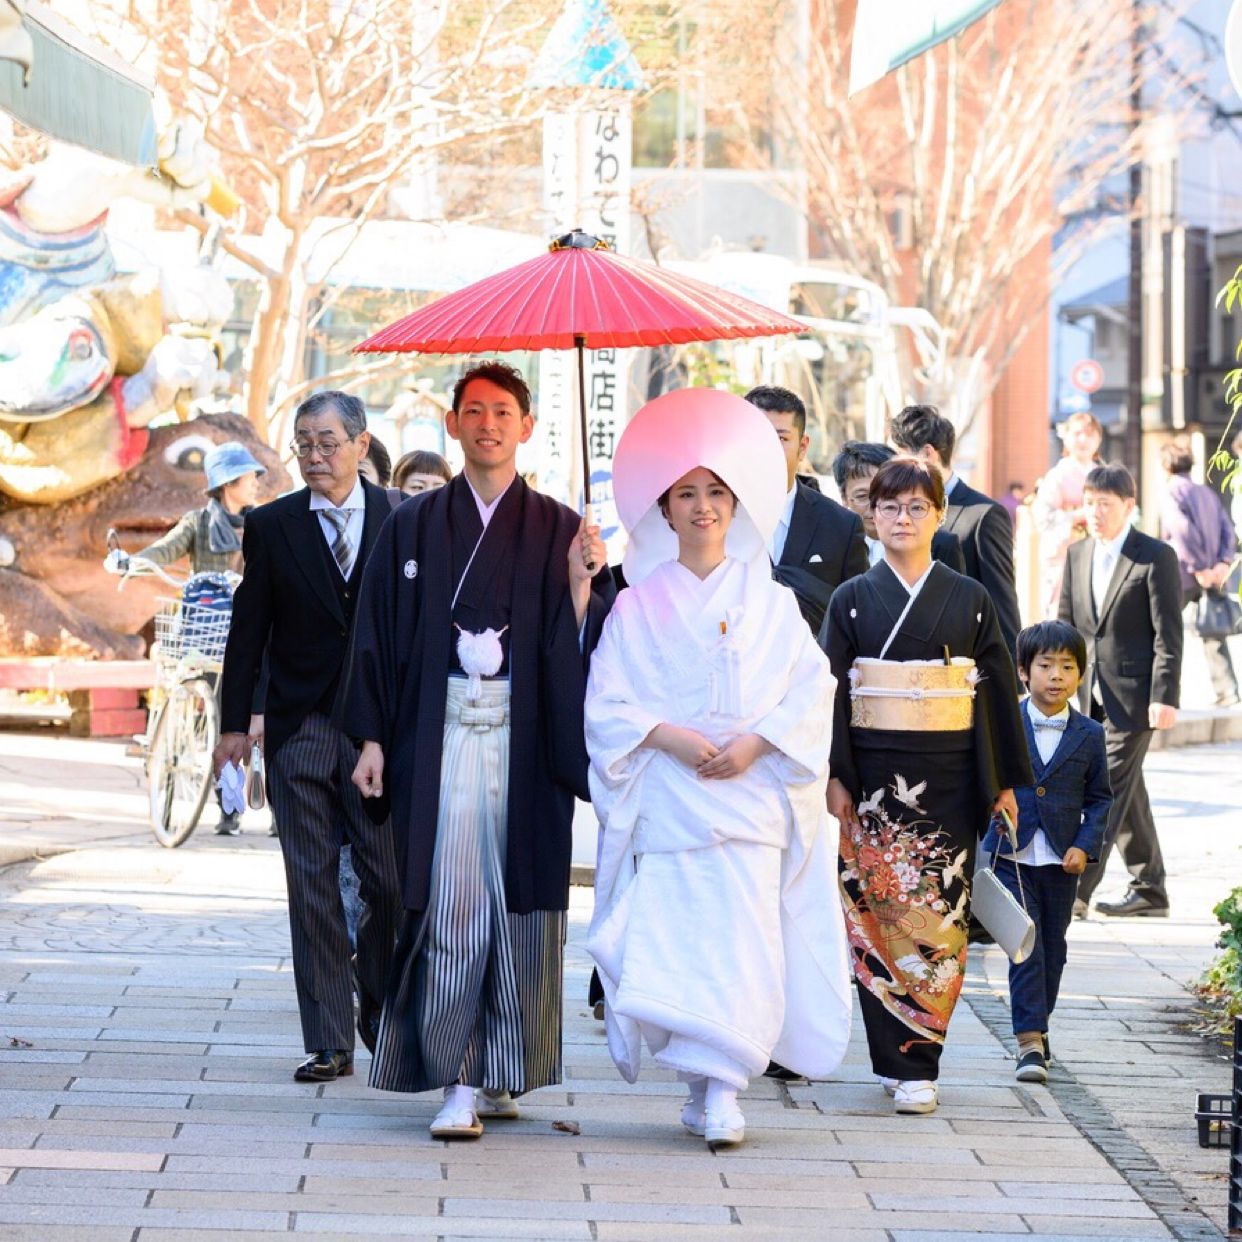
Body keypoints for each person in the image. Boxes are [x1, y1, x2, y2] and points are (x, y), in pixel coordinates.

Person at [343, 361, 612, 1141]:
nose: (487, 424)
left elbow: (582, 645)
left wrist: (581, 588)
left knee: (521, 902)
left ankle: (504, 1065)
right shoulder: (415, 526)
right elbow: (379, 635)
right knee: (456, 896)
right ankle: (458, 1075)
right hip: (441, 735)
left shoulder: (563, 527)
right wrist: (370, 736)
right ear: (453, 424)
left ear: (527, 427)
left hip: (525, 744)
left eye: (502, 412)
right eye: (473, 411)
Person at [585, 388, 851, 1150]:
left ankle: (727, 1086)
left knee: (744, 941)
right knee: (681, 942)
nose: (702, 507)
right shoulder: (636, 604)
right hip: (672, 795)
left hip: (749, 796)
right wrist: (665, 736)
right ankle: (703, 1083)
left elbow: (812, 688)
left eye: (715, 493)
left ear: (735, 506)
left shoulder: (771, 603)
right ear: (663, 510)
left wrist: (758, 743)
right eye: (686, 495)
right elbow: (608, 703)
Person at [823, 456, 1030, 1115]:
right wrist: (833, 774)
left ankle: (922, 1062)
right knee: (877, 917)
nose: (902, 518)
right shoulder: (851, 599)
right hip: (874, 781)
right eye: (889, 506)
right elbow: (825, 693)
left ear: (939, 515)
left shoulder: (968, 600)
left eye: (916, 507)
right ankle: (892, 1058)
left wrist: (1001, 784)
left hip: (948, 781)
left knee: (939, 922)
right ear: (871, 515)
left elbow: (996, 689)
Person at [213, 391, 402, 1084]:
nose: (315, 456)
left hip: (380, 731)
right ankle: (328, 1037)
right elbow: (248, 629)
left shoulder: (402, 519)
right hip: (300, 728)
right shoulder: (271, 524)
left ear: (360, 443)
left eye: (327, 442)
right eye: (304, 444)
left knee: (388, 881)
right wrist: (236, 723)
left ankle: (379, 999)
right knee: (312, 880)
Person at [109, 440, 266, 835]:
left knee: (259, 719)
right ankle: (226, 807)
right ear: (228, 482)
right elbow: (165, 550)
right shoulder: (198, 523)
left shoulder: (262, 524)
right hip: (207, 633)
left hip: (248, 635)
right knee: (216, 719)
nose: (255, 483)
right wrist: (131, 561)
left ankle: (271, 804)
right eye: (249, 476)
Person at [979, 620, 1111, 1084]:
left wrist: (1083, 845)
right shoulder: (1002, 722)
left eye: (1067, 666)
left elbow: (1100, 799)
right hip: (1011, 856)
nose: (1056, 675)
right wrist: (994, 802)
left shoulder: (1090, 734)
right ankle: (1029, 1042)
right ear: (1023, 671)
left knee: (1053, 950)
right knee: (1026, 949)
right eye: (1046, 665)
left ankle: (1039, 1027)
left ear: (1080, 673)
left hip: (1061, 859)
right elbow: (984, 778)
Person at [1058, 463, 1183, 918]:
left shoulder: (1154, 556)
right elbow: (1067, 628)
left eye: (1104, 504)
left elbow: (1168, 632)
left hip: (1136, 697)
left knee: (1105, 788)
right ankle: (1150, 888)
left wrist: (1165, 695)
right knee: (1129, 790)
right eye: (1089, 503)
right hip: (1088, 696)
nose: (1094, 512)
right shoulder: (1078, 554)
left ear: (1129, 506)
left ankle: (1076, 892)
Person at [890, 404, 1022, 660]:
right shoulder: (895, 513)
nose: (893, 465)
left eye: (899, 454)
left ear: (928, 454)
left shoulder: (983, 515)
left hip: (963, 666)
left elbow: (1001, 602)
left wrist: (1011, 684)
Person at [743, 385, 867, 635]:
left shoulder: (841, 525)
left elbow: (857, 617)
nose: (768, 448)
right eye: (758, 436)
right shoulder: (715, 517)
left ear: (802, 446)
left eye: (781, 438)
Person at [1159, 441, 1239, 708]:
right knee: (1213, 632)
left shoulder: (1171, 492)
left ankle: (1168, 695)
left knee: (1165, 632)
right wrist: (1222, 563)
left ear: (1166, 466)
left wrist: (1199, 567)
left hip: (1183, 573)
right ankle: (1228, 691)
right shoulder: (1206, 492)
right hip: (1213, 573)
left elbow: (1181, 532)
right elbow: (1228, 529)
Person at [832, 441, 966, 574]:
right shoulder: (835, 548)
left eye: (886, 495)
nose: (874, 504)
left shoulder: (941, 545)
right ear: (844, 498)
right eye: (862, 496)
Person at [1031, 412, 1103, 618]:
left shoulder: (1102, 474)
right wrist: (1079, 515)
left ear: (1098, 439)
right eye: (1077, 433)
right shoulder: (1057, 476)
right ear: (1066, 437)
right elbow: (1043, 516)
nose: (1083, 440)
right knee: (1061, 611)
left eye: (1089, 434)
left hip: (1097, 552)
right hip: (1063, 554)